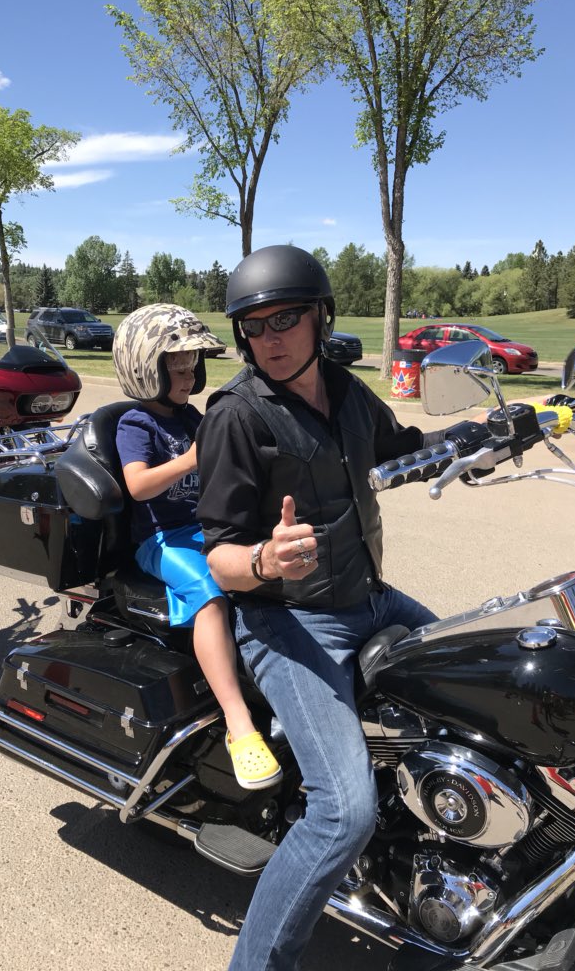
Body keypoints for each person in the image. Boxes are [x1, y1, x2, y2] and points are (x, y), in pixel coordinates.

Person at [195, 245, 487, 970]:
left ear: (320, 318)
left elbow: (406, 450)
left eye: (286, 317)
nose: (271, 336)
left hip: (370, 597)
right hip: (287, 621)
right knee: (341, 810)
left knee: (488, 673)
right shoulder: (237, 416)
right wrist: (265, 558)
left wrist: (489, 437)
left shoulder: (349, 392)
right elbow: (219, 558)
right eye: (254, 326)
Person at [112, 303, 282, 791]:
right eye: (177, 367)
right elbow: (139, 486)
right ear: (147, 370)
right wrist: (190, 460)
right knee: (211, 592)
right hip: (159, 540)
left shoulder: (194, 416)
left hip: (205, 528)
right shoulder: (135, 425)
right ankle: (238, 723)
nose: (188, 375)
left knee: (263, 566)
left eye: (192, 367)